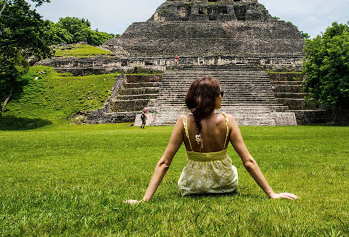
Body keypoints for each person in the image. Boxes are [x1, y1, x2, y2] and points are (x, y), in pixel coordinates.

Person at [125, 76, 298, 204]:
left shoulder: (183, 122)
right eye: (220, 93)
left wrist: (144, 199)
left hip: (192, 187)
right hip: (226, 184)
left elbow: (164, 163)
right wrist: (272, 193)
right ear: (213, 97)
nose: (222, 96)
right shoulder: (228, 120)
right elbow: (248, 162)